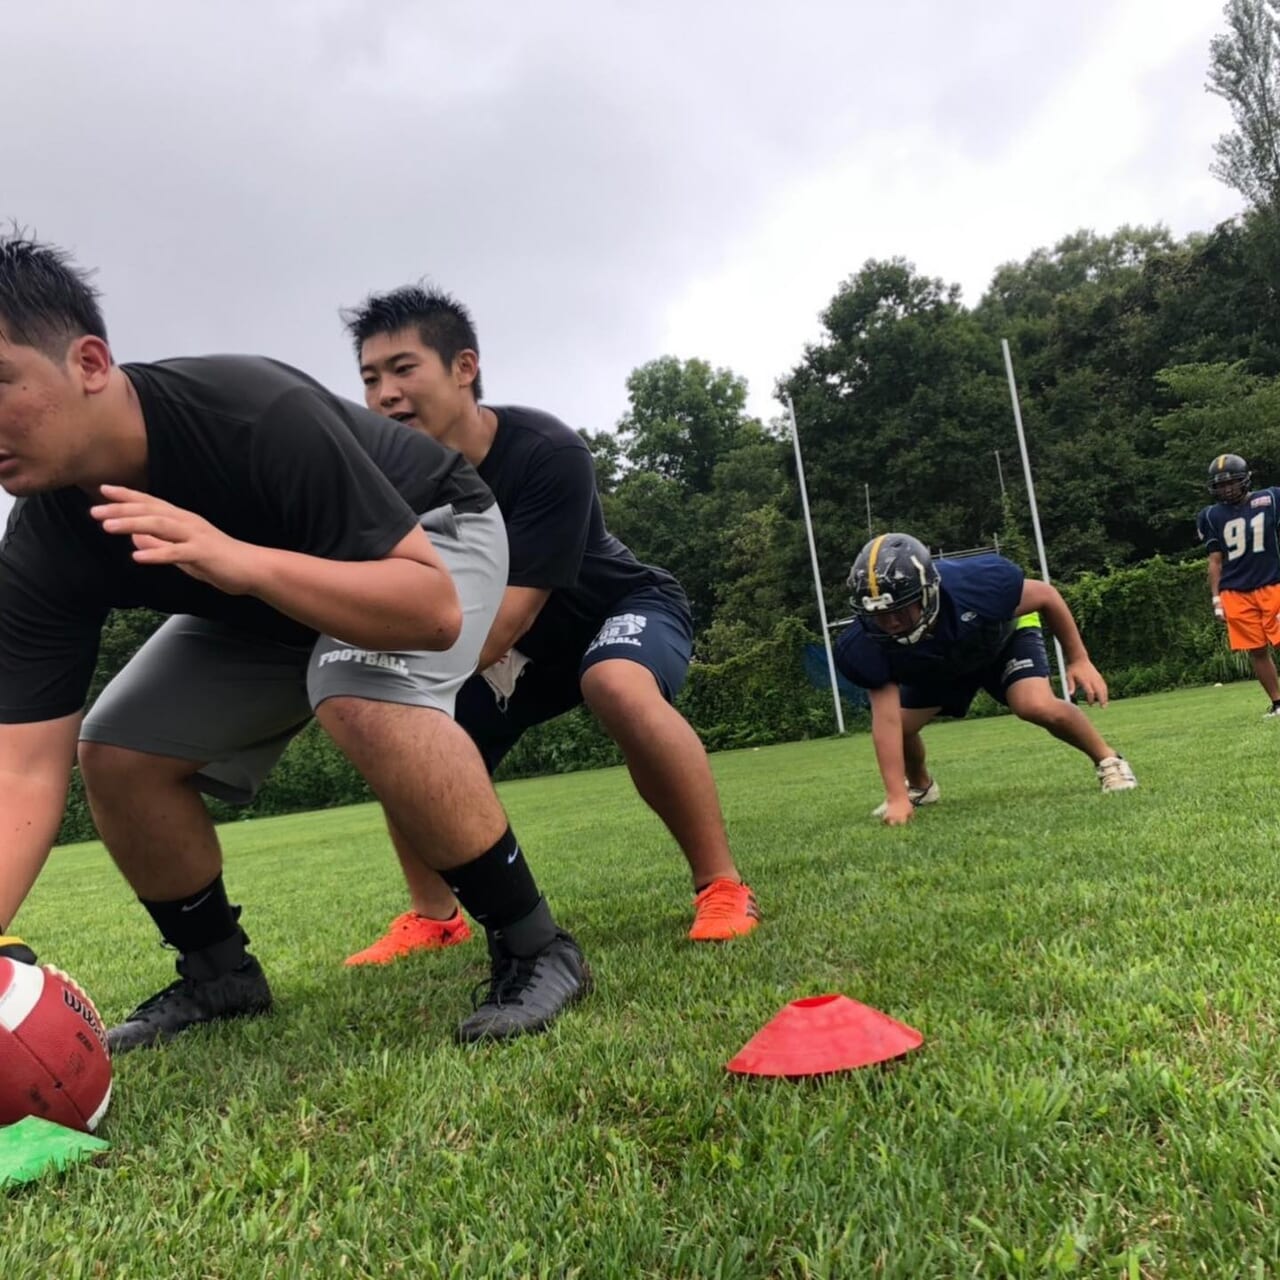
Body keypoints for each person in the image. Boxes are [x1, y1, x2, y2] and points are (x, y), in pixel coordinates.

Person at [0, 233, 589, 1048]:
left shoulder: (247, 409)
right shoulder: (39, 543)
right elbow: (23, 766)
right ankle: (219, 978)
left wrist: (241, 561)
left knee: (358, 691)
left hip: (429, 536)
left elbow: (431, 610)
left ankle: (537, 947)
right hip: (259, 598)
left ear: (90, 363)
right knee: (117, 752)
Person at [339, 284, 759, 964]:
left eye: (403, 368)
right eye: (370, 378)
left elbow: (511, 614)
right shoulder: (384, 484)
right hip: (512, 656)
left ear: (464, 367)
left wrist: (406, 679)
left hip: (612, 613)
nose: (385, 393)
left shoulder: (545, 451)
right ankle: (433, 916)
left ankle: (722, 886)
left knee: (615, 683)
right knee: (402, 729)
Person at [834, 533, 1137, 826]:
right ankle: (920, 786)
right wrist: (895, 797)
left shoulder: (975, 588)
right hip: (939, 666)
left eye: (899, 609)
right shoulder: (868, 642)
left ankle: (1109, 760)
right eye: (879, 614)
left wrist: (1079, 659)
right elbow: (886, 722)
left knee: (1034, 704)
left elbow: (1046, 595)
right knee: (902, 728)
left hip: (999, 641)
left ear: (927, 592)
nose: (890, 623)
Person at [1196, 453, 1280, 717]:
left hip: (1273, 582)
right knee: (1256, 650)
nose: (1226, 488)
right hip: (1235, 591)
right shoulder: (1210, 516)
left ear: (1245, 480)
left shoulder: (1272, 498)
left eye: (1231, 482)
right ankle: (1278, 703)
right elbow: (1215, 561)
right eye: (1220, 485)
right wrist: (1216, 598)